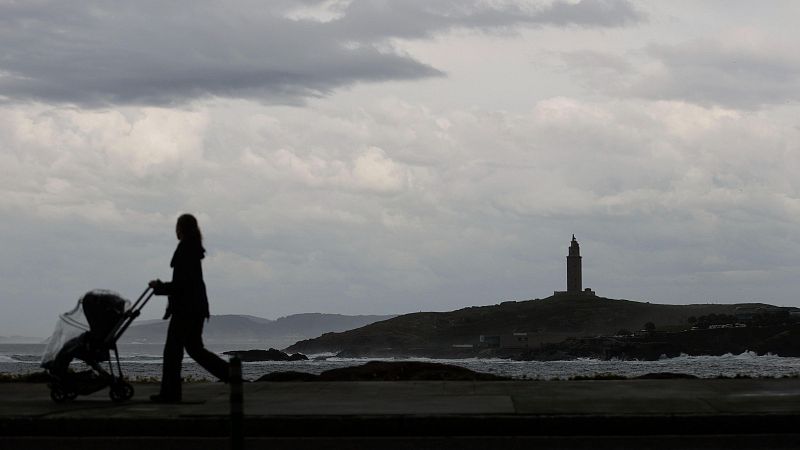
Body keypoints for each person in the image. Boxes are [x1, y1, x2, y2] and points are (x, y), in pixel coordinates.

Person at [149, 213, 229, 403]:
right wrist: (165, 287)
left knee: (172, 352)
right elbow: (186, 283)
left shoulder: (185, 248)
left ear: (180, 228)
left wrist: (161, 288)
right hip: (195, 308)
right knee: (194, 349)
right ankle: (231, 375)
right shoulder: (193, 248)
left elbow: (182, 285)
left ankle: (170, 393)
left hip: (186, 310)